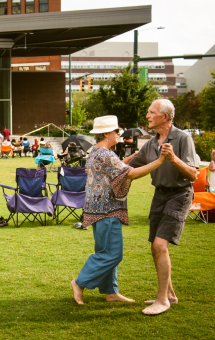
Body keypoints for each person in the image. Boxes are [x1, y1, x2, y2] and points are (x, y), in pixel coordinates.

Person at [71, 115, 166, 306]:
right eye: (116, 131)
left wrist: (133, 157)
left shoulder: (95, 152)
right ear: (107, 133)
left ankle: (110, 291)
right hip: (108, 209)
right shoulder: (107, 154)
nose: (119, 134)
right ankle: (79, 282)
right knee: (113, 254)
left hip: (96, 210)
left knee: (106, 250)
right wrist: (160, 161)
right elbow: (129, 173)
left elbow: (118, 167)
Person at [125, 99, 198, 316]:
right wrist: (106, 162)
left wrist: (173, 158)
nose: (147, 116)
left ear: (164, 117)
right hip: (159, 195)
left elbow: (193, 174)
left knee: (159, 245)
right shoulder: (151, 142)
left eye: (151, 112)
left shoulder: (183, 138)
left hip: (179, 195)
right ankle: (171, 295)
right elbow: (132, 162)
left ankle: (162, 300)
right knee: (154, 246)